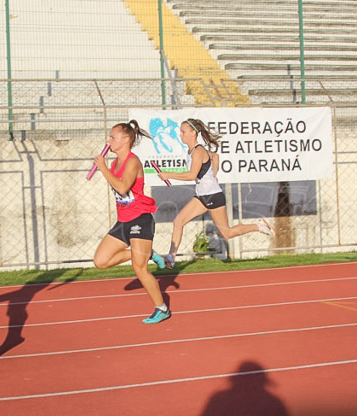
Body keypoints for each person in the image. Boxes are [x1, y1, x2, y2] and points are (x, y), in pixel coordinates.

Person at [155, 118, 271, 268]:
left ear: (193, 133)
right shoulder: (192, 151)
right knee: (178, 222)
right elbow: (215, 156)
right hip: (202, 196)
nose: (180, 135)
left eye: (183, 132)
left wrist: (168, 174)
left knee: (227, 233)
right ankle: (171, 257)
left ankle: (258, 226)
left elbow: (191, 175)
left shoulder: (198, 151)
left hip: (212, 196)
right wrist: (214, 173)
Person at [92, 121, 171, 324]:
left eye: (113, 137)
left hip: (140, 219)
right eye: (109, 137)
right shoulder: (114, 163)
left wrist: (102, 169)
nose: (109, 141)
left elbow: (123, 187)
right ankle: (149, 253)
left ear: (125, 140)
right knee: (101, 261)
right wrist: (107, 169)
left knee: (139, 269)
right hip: (123, 221)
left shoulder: (133, 161)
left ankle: (161, 308)